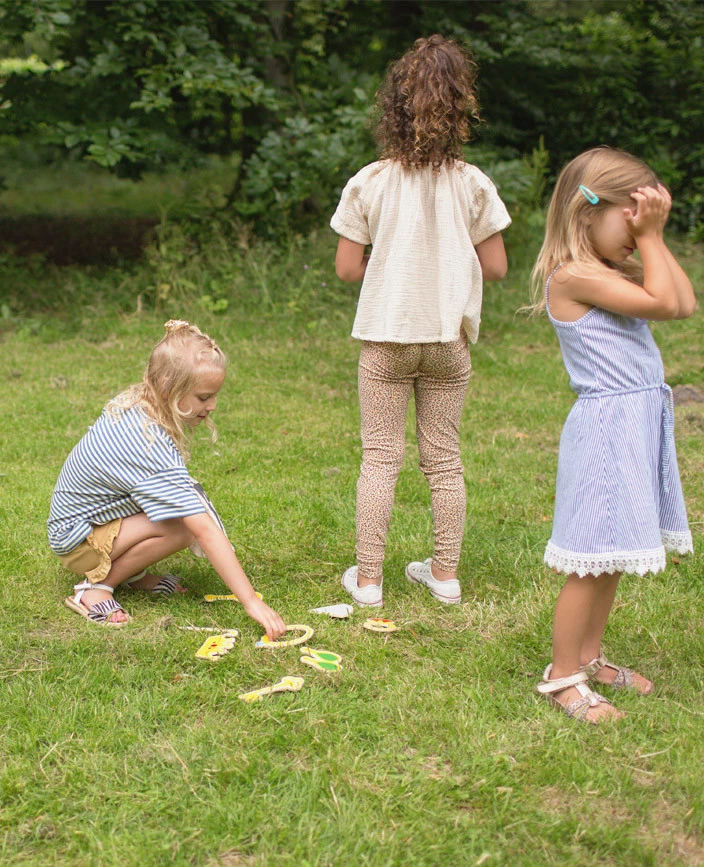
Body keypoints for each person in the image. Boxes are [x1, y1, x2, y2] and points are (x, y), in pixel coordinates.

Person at [330, 35, 510, 609]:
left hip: (386, 338)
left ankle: (369, 581)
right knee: (444, 457)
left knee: (381, 457)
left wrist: (387, 256)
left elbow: (345, 270)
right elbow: (498, 267)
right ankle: (445, 574)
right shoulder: (472, 182)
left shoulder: (371, 181)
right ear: (462, 108)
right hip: (447, 341)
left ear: (395, 108)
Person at [529, 146, 695, 723]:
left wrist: (652, 235)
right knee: (588, 562)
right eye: (630, 222)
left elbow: (684, 301)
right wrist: (650, 240)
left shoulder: (604, 270)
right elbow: (664, 305)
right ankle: (562, 676)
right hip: (605, 433)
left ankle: (591, 656)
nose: (637, 237)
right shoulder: (573, 276)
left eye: (643, 225)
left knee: (612, 556)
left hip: (634, 428)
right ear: (585, 213)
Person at [48, 320, 286, 639]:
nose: (212, 406)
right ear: (166, 387)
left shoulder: (140, 406)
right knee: (182, 527)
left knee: (186, 505)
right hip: (76, 541)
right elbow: (201, 526)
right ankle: (96, 588)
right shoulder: (146, 444)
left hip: (92, 522)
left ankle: (132, 573)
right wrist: (250, 602)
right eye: (203, 397)